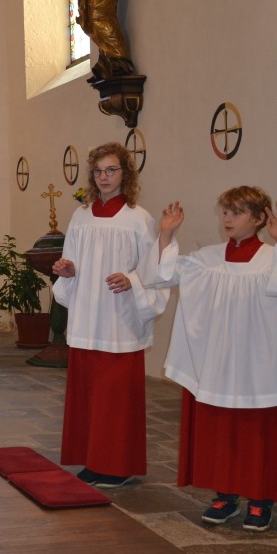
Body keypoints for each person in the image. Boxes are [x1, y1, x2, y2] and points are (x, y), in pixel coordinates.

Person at [146, 189, 277, 532]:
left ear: (259, 219)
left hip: (259, 363)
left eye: (237, 212)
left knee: (258, 432)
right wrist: (166, 235)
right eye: (226, 212)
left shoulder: (274, 258)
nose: (227, 218)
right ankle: (225, 495)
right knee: (220, 430)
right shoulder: (208, 259)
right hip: (218, 362)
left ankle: (260, 499)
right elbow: (162, 275)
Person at [51, 143, 168, 488]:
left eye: (111, 170)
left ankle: (117, 465)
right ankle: (93, 460)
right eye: (99, 171)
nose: (104, 177)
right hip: (88, 316)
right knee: (90, 395)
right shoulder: (81, 216)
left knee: (115, 398)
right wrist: (68, 270)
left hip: (119, 319)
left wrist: (132, 280)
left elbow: (153, 269)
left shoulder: (138, 218)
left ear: (125, 174)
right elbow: (72, 260)